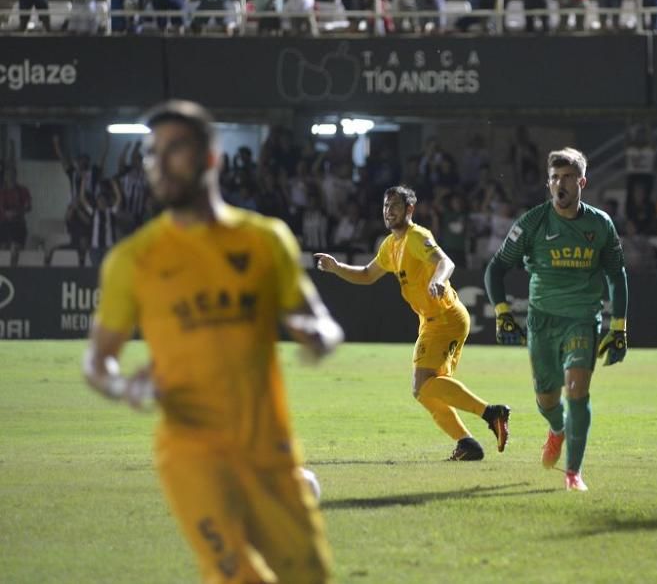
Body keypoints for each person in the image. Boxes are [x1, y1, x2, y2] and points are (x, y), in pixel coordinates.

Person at [82, 100, 343, 582]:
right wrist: (124, 388)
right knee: (234, 574)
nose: (159, 163)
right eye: (150, 153)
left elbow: (321, 320)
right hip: (191, 451)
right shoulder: (133, 259)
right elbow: (97, 361)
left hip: (268, 447)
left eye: (174, 148)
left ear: (211, 158)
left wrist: (318, 336)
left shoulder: (265, 240)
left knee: (309, 575)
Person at [315, 185, 511, 461]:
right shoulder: (390, 245)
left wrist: (438, 280)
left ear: (409, 209)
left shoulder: (417, 236)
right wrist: (337, 268)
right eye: (385, 206)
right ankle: (468, 443)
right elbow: (367, 275)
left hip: (444, 318)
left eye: (395, 205)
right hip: (432, 320)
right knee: (428, 389)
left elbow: (446, 262)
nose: (388, 211)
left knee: (422, 385)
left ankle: (491, 414)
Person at [484, 148, 629, 491]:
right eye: (554, 178)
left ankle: (573, 473)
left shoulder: (600, 224)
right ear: (548, 183)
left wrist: (619, 326)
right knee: (547, 400)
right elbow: (496, 269)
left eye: (566, 178)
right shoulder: (532, 223)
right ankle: (557, 429)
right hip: (542, 322)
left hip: (582, 319)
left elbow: (616, 275)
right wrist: (502, 312)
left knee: (578, 391)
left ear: (581, 182)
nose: (559, 184)